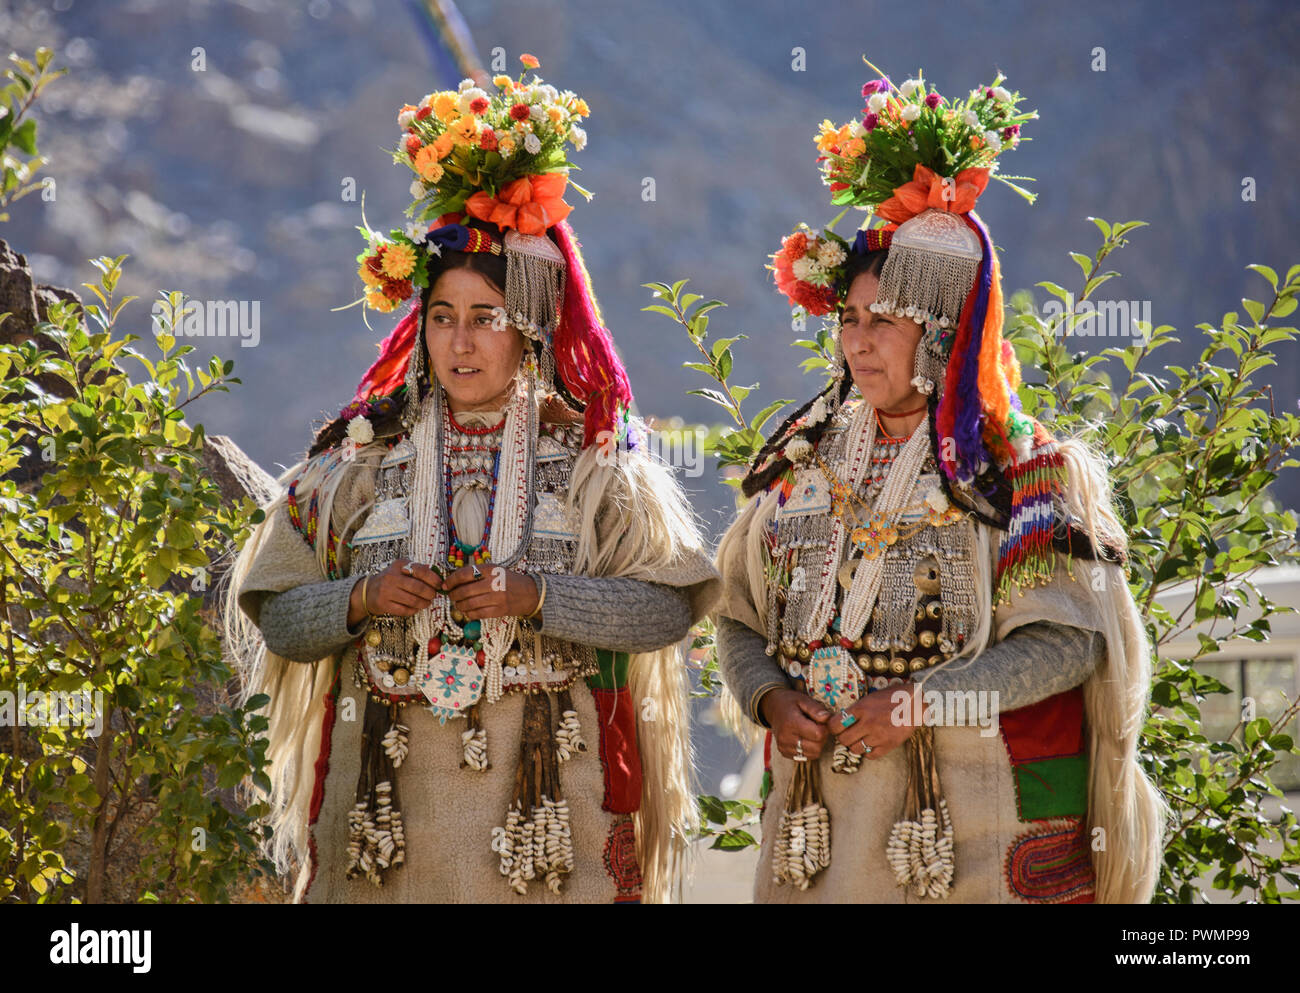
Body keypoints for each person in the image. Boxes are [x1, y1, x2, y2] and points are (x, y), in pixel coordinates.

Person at [220, 59, 720, 903]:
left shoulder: (599, 466)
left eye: (485, 319)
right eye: (442, 319)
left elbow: (668, 606)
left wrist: (539, 597)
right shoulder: (354, 464)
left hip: (553, 825)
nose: (460, 343)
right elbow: (275, 613)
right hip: (386, 823)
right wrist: (360, 599)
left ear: (529, 328)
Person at [713, 65, 1166, 903]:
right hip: (823, 835)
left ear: (942, 329)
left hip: (973, 835)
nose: (858, 343)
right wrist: (770, 698)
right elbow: (738, 621)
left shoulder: (1024, 472)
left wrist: (922, 702)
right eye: (848, 319)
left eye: (882, 321)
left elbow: (1068, 643)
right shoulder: (801, 464)